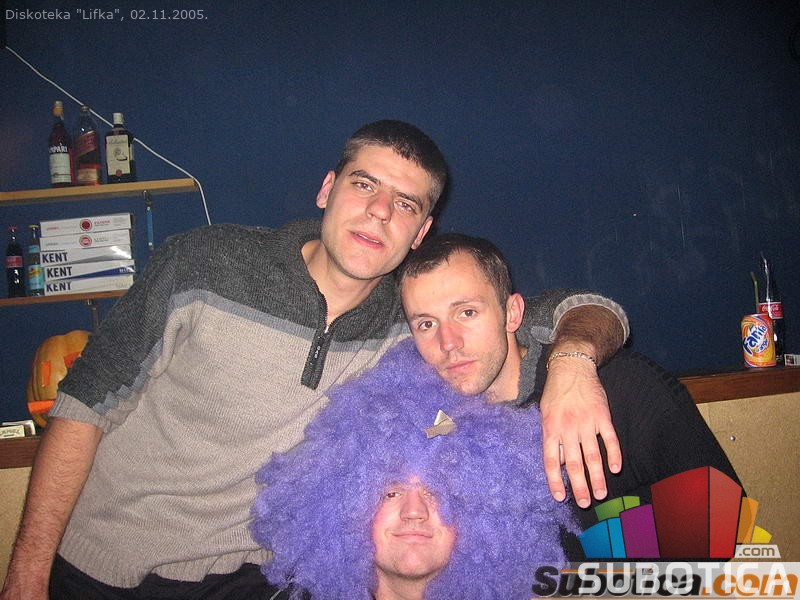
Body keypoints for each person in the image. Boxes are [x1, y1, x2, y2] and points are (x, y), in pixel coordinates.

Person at [1, 121, 624, 600]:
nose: (379, 211)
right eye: (364, 184)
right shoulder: (204, 263)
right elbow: (84, 405)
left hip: (254, 579)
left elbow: (553, 312)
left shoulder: (409, 321)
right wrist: (27, 574)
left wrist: (573, 361)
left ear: (420, 233)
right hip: (104, 567)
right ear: (328, 189)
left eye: (405, 203)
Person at [397, 233, 741, 554]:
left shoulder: (613, 385)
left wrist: (563, 551)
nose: (448, 343)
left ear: (512, 313)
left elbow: (723, 514)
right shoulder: (429, 423)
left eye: (467, 312)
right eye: (426, 324)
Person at [251, 338, 575, 600]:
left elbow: (605, 585)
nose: (414, 512)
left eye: (436, 492)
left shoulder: (541, 588)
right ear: (345, 506)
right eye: (390, 492)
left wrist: (576, 357)